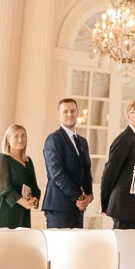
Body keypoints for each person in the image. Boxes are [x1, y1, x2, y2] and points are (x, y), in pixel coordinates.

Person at [43, 98, 93, 230]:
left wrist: (89, 196)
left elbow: (86, 171)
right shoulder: (53, 139)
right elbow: (57, 173)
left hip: (78, 208)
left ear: (77, 113)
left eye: (72, 111)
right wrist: (79, 196)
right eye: (65, 112)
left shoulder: (82, 141)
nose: (69, 114)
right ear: (59, 116)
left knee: (77, 244)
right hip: (59, 208)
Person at [101, 100, 135, 230]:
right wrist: (105, 203)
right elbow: (109, 173)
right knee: (123, 243)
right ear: (128, 116)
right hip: (123, 207)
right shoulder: (123, 140)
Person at [0, 125, 39, 229]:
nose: (20, 139)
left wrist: (34, 200)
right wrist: (24, 203)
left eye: (23, 136)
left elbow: (35, 187)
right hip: (7, 210)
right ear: (8, 140)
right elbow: (4, 188)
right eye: (16, 136)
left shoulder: (28, 161)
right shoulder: (2, 158)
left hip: (24, 212)